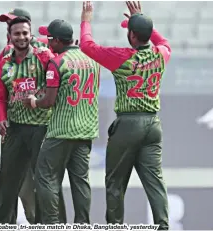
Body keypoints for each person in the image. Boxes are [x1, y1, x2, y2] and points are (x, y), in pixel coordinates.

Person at [79, 1, 171, 229]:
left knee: (115, 182)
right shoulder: (160, 55)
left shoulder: (123, 57)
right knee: (155, 182)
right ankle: (163, 225)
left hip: (128, 124)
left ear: (131, 35)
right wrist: (141, 18)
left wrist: (86, 21)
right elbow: (165, 43)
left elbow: (87, 46)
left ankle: (115, 226)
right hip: (153, 124)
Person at [23, 19, 100, 224]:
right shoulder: (92, 61)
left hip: (61, 131)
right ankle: (82, 224)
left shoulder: (56, 63)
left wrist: (32, 102)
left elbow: (48, 101)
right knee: (80, 180)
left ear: (57, 41)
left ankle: (52, 224)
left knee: (45, 176)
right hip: (85, 131)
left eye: (49, 39)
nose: (48, 44)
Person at [0, 8, 67, 224]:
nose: (21, 37)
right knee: (7, 180)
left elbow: (58, 80)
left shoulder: (44, 55)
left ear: (31, 33)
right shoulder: (5, 61)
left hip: (41, 126)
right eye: (17, 34)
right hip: (15, 128)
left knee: (46, 180)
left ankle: (57, 224)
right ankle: (0, 224)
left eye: (25, 33)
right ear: (10, 35)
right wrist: (1, 118)